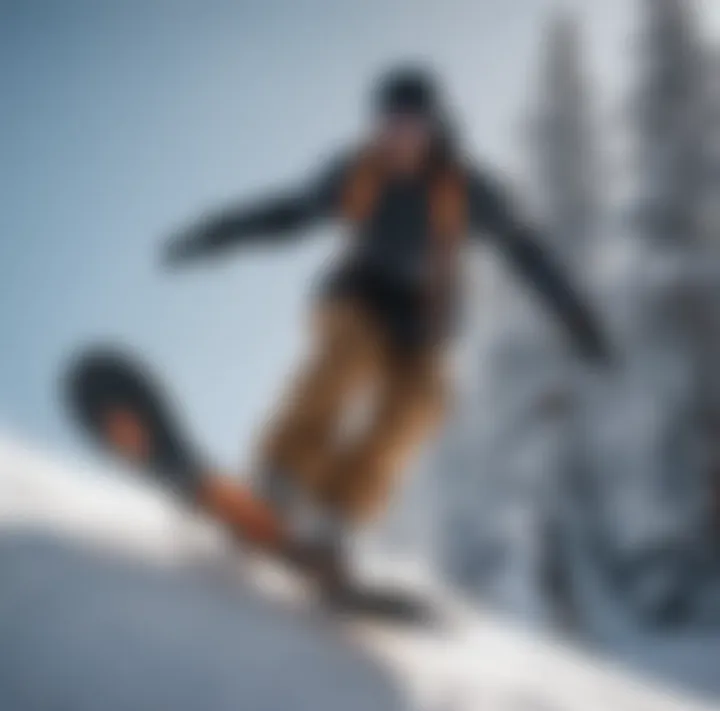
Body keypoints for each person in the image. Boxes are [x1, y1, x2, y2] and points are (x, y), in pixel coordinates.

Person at [162, 66, 610, 578]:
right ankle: (278, 485)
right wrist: (215, 234)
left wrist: (575, 316)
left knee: (420, 404)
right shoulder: (356, 171)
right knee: (347, 358)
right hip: (356, 297)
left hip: (422, 324)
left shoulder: (466, 189)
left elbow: (525, 252)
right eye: (388, 125)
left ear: (434, 128)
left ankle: (334, 521)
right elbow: (284, 215)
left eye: (410, 127)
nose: (397, 139)